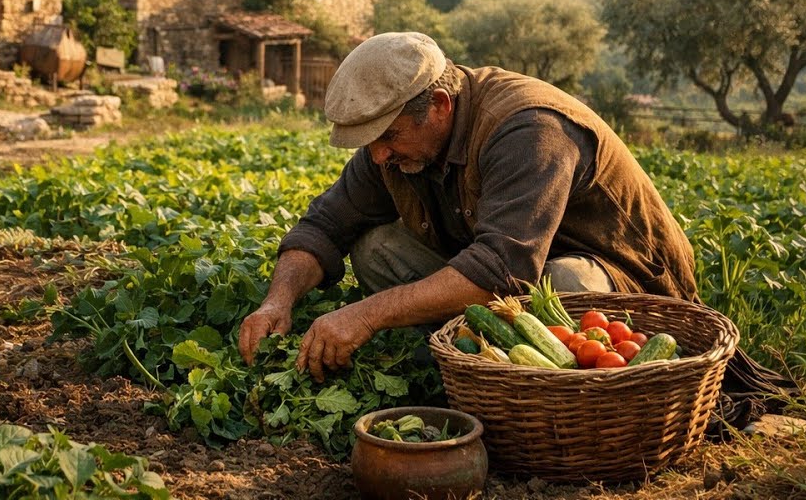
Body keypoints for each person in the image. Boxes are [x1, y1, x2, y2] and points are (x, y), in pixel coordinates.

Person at [238, 31, 699, 382]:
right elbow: (325, 224)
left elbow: (503, 269)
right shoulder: (393, 150)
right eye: (370, 142)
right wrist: (277, 301)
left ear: (439, 104)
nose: (378, 155)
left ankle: (550, 400)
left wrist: (365, 314)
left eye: (388, 137)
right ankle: (462, 365)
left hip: (621, 283)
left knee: (561, 282)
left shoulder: (529, 129)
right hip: (509, 277)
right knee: (376, 246)